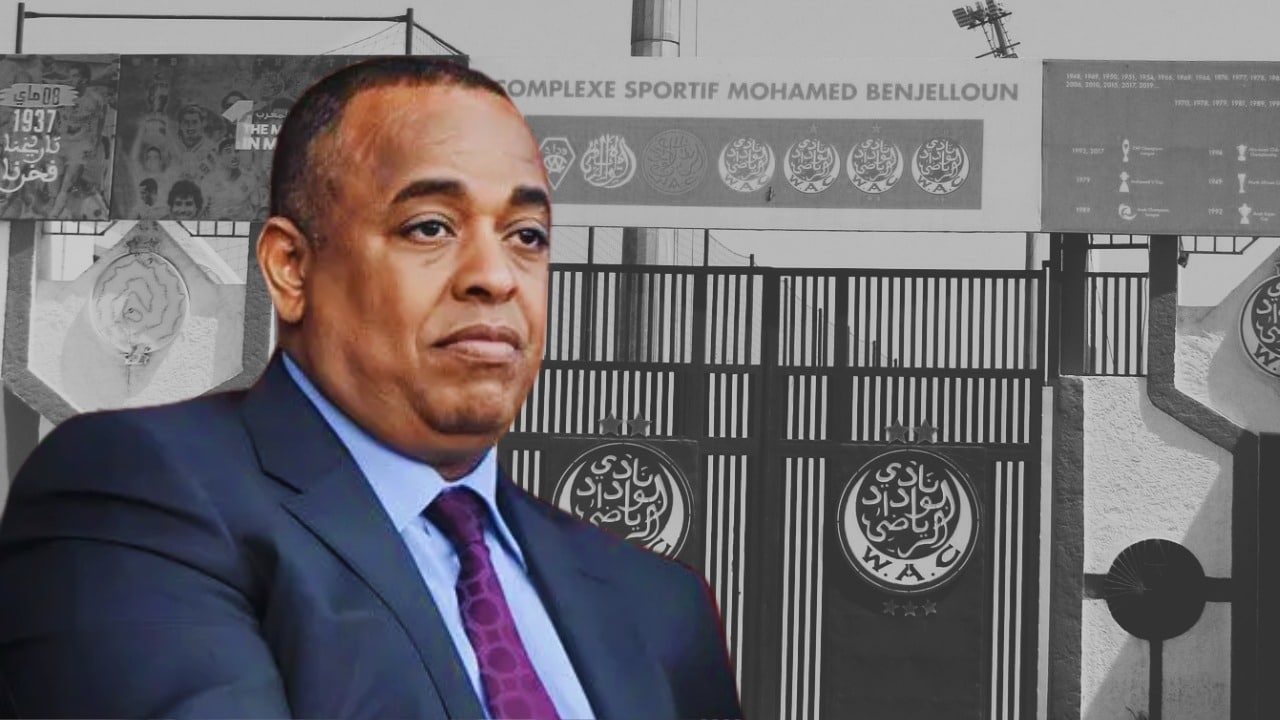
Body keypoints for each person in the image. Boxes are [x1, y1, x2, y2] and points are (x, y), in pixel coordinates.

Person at [0, 56, 743, 720]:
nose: (496, 276)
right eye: (429, 227)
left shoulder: (657, 601)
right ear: (291, 267)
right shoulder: (138, 495)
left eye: (527, 236)